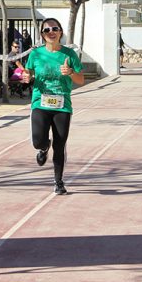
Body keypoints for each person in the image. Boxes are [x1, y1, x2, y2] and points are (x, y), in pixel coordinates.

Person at [21, 18, 84, 195]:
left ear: (60, 32)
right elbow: (28, 73)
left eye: (54, 29)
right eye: (47, 30)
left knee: (60, 144)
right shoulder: (36, 54)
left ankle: (58, 181)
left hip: (62, 105)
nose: (51, 32)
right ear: (42, 34)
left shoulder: (69, 55)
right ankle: (43, 147)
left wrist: (70, 72)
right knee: (37, 140)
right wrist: (27, 78)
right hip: (40, 102)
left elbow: (80, 80)